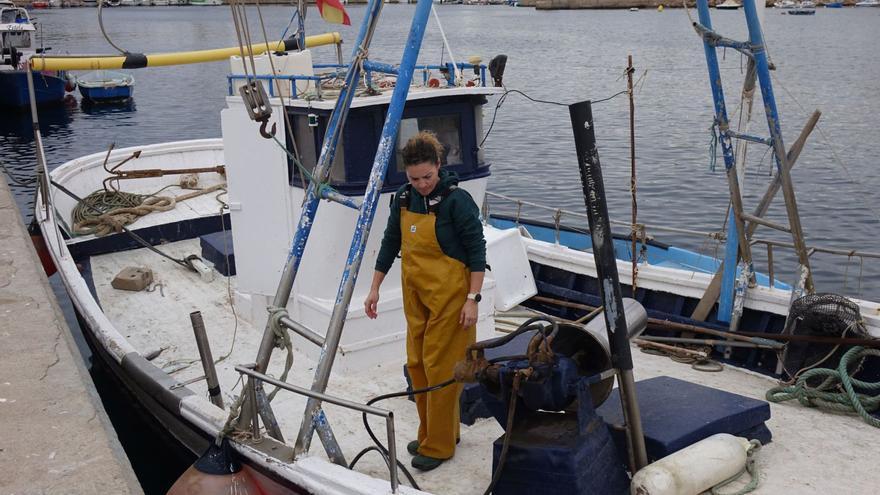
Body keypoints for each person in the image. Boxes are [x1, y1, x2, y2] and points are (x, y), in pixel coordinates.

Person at [364, 131, 486, 472]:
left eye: (427, 177)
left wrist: (472, 299)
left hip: (452, 298)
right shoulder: (403, 198)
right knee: (417, 365)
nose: (421, 184)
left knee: (440, 368)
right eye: (414, 178)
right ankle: (433, 432)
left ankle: (440, 445)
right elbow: (390, 242)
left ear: (438, 166)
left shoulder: (457, 201)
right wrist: (374, 288)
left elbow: (477, 252)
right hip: (416, 296)